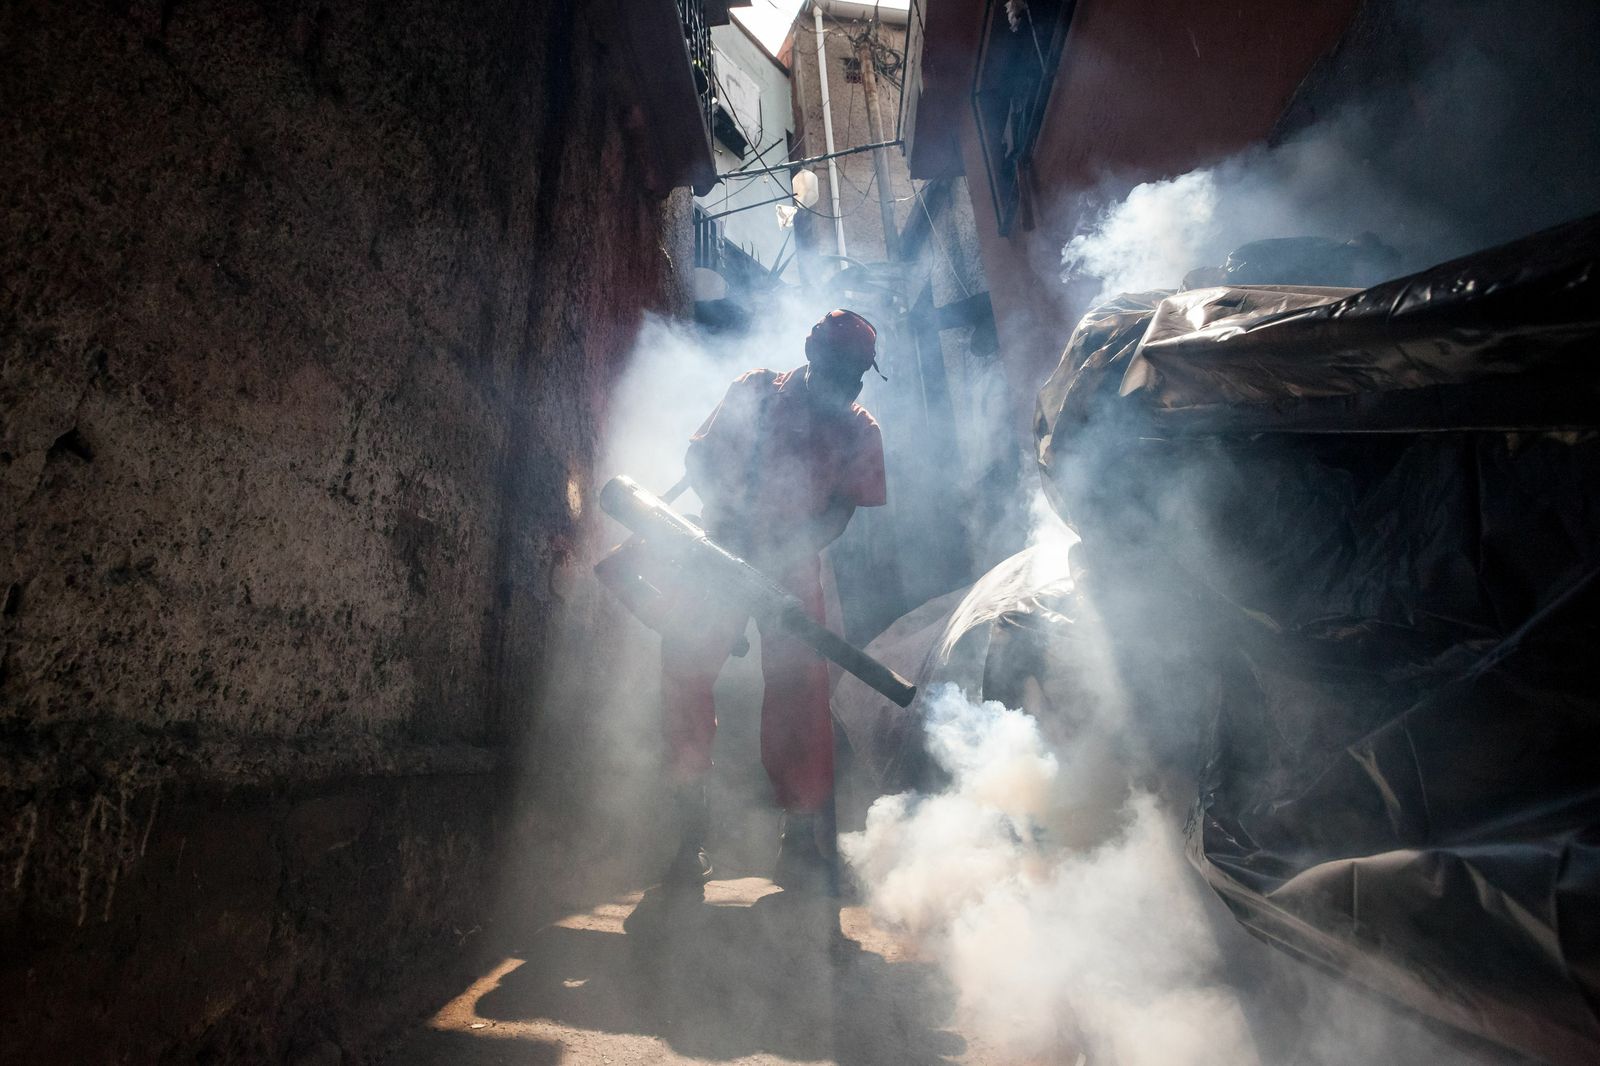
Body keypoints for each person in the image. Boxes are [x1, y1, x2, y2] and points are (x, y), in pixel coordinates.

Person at [660, 309, 887, 896]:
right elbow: (699, 460)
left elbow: (841, 512)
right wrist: (732, 522)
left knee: (800, 691)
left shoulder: (862, 429)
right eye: (842, 369)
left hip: (792, 567)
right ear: (813, 357)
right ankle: (689, 841)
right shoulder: (756, 390)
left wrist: (791, 543)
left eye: (859, 374)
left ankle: (799, 840)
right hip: (720, 551)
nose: (850, 384)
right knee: (686, 671)